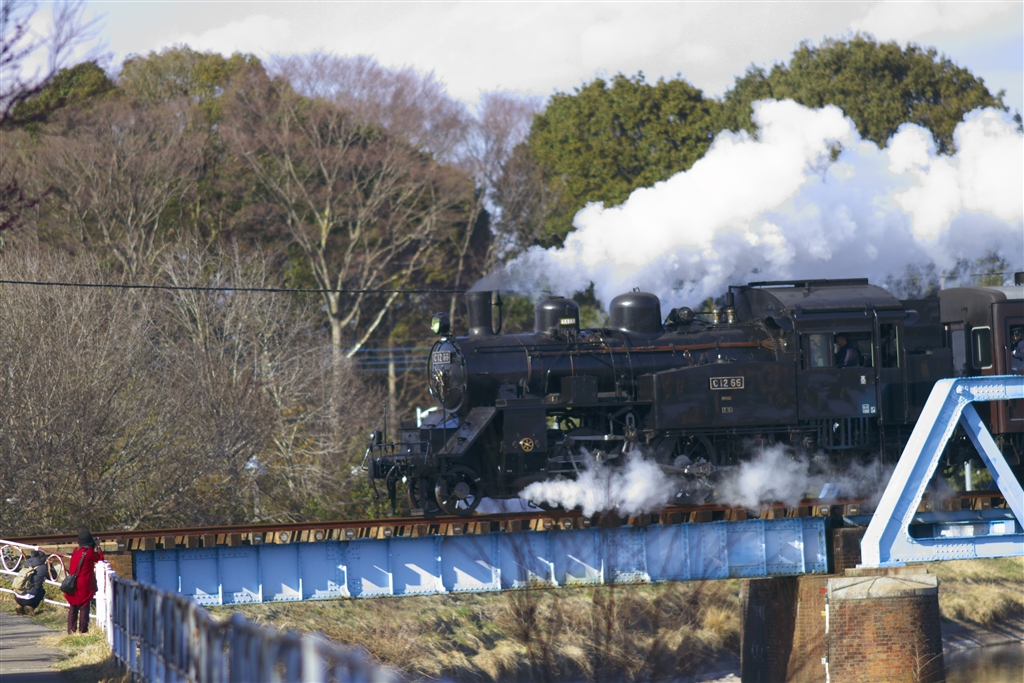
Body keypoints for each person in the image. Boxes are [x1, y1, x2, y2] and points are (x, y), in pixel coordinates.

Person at [65, 529, 104, 634]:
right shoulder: (89, 552)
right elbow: (100, 558)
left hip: (73, 583)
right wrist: (98, 546)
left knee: (73, 607)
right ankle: (83, 631)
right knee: (84, 607)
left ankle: (71, 631)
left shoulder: (75, 550)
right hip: (84, 583)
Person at [13, 550, 48, 616]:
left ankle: (19, 605)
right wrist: (50, 565)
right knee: (42, 591)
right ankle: (31, 606)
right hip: (29, 599)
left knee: (28, 590)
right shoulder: (43, 567)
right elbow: (53, 576)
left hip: (17, 596)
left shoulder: (26, 563)